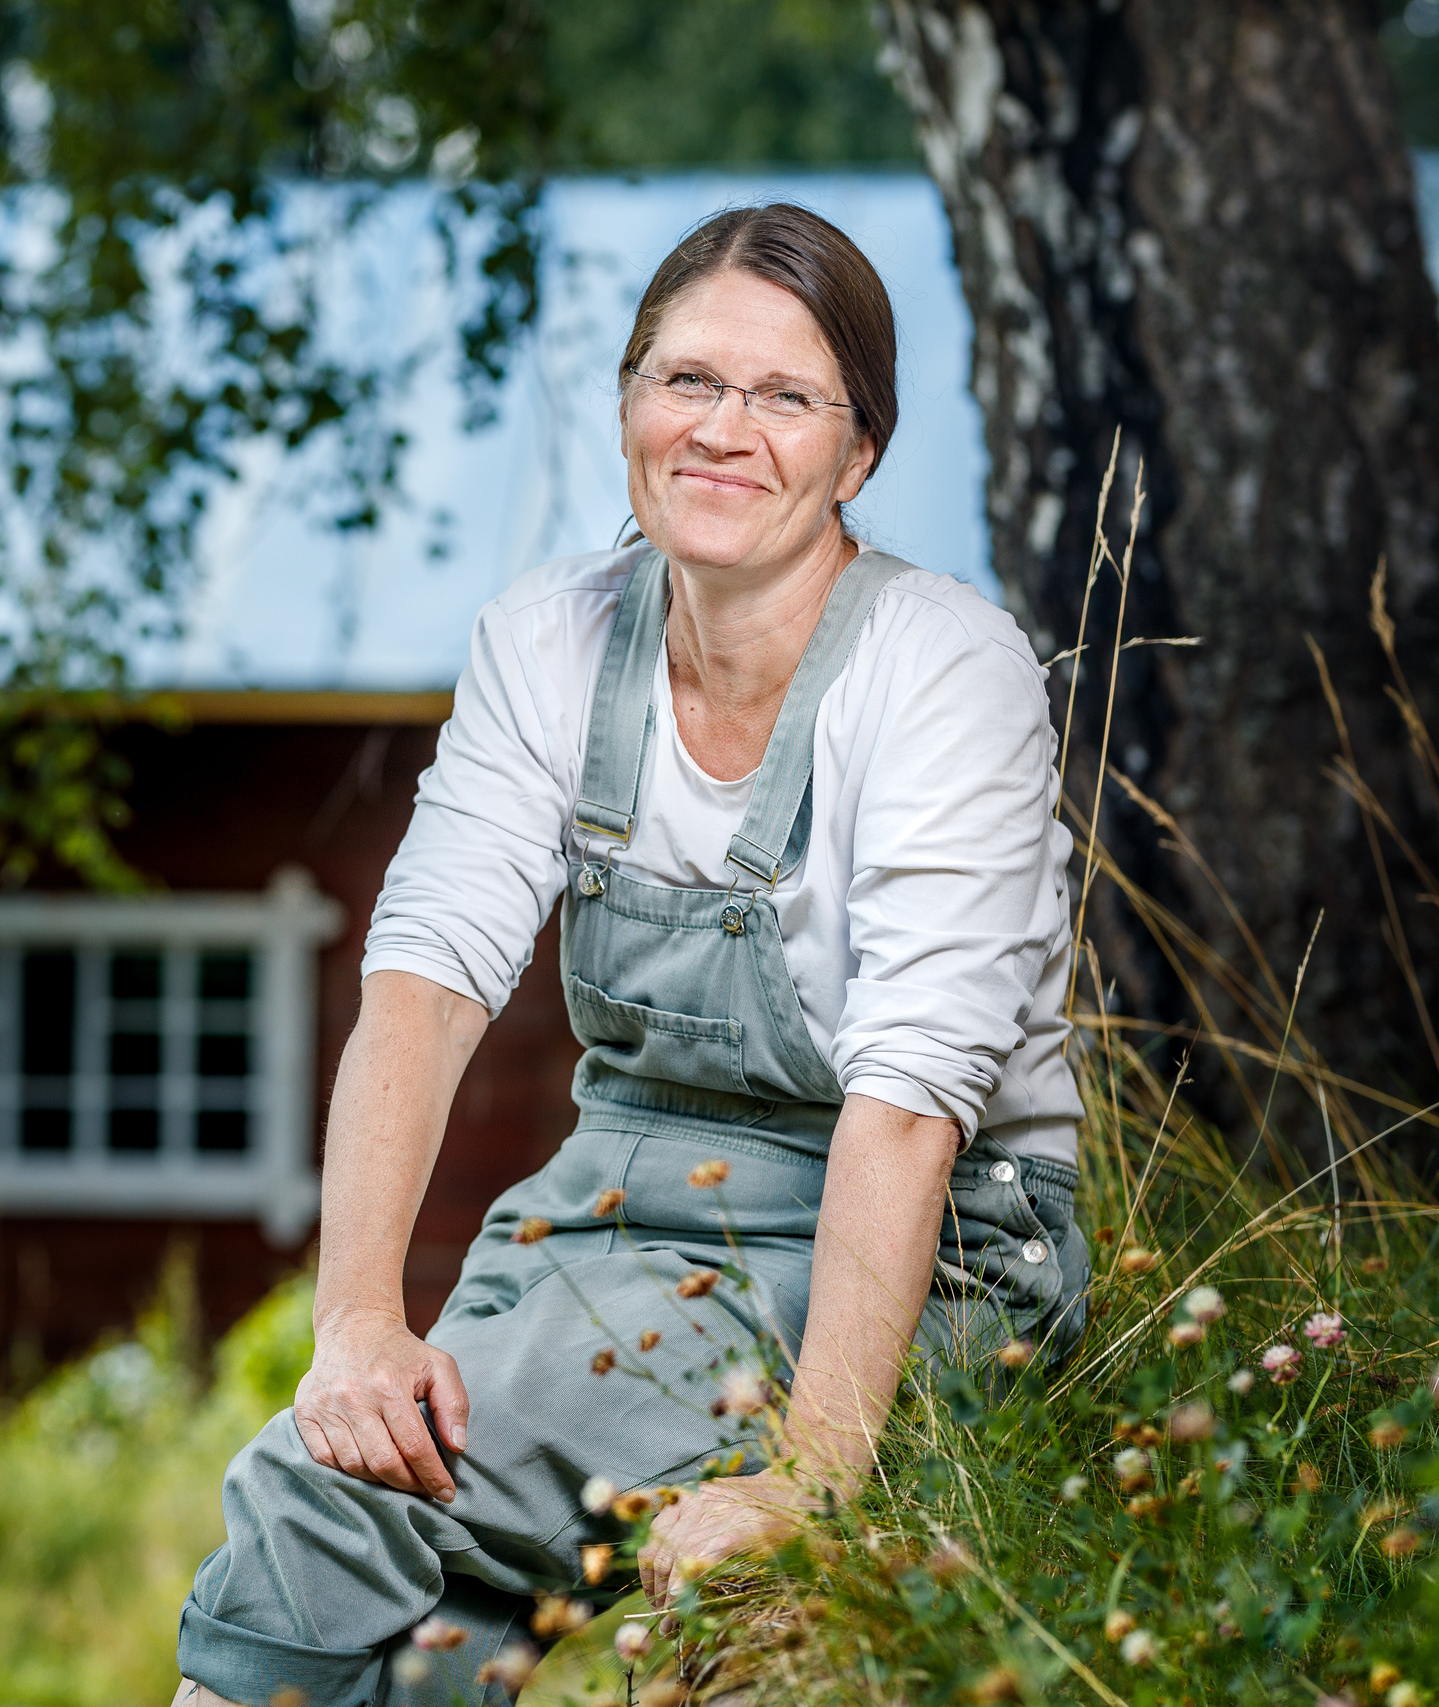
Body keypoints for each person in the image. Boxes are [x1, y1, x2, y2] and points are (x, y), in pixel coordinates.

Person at [168, 204, 1090, 1707]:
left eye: (785, 397)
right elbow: (420, 985)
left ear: (860, 455)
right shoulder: (549, 635)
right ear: (626, 406)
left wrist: (810, 1475)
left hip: (941, 1244)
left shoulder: (941, 667)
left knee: (325, 1504)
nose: (723, 431)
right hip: (616, 1208)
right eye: (686, 382)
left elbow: (916, 1107)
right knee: (378, 1515)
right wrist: (354, 1326)